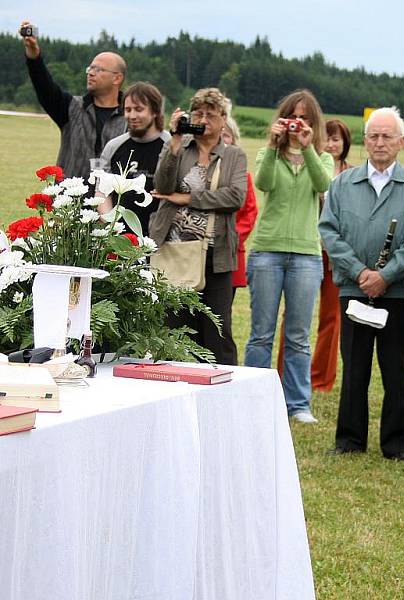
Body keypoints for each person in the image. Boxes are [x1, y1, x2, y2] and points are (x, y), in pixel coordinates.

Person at [319, 107, 404, 461]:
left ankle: (397, 445)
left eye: (387, 136)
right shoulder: (341, 185)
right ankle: (349, 440)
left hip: (397, 293)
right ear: (365, 140)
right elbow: (329, 232)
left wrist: (385, 276)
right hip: (354, 290)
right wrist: (360, 273)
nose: (380, 143)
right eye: (373, 136)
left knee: (396, 369)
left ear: (401, 142)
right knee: (354, 367)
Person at [244, 89, 333, 423]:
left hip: (306, 255)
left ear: (314, 124)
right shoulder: (268, 154)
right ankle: (252, 398)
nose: (298, 123)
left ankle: (298, 404)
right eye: (292, 116)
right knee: (261, 333)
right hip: (267, 250)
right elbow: (263, 183)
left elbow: (323, 183)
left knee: (298, 335)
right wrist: (271, 144)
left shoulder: (321, 157)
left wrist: (308, 148)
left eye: (305, 118)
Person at [151, 87, 246, 365]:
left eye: (210, 114)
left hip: (215, 256)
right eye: (198, 113)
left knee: (217, 332)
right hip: (175, 252)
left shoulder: (234, 156)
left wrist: (188, 198)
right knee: (174, 330)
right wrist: (175, 143)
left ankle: (225, 394)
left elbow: (235, 196)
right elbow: (163, 186)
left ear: (223, 119)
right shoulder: (179, 148)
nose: (203, 119)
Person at [20, 20, 126, 178]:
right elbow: (44, 87)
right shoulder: (71, 108)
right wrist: (34, 56)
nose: (90, 73)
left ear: (117, 78)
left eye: (98, 69)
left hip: (112, 201)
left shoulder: (130, 117)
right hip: (70, 200)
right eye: (90, 68)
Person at [311, 119, 354, 391]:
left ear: (345, 143)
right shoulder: (312, 168)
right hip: (309, 250)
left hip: (336, 255)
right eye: (326, 138)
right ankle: (286, 374)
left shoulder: (353, 176)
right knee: (295, 317)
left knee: (331, 317)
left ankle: (321, 378)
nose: (331, 144)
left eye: (336, 139)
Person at [97, 82, 170, 237]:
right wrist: (111, 229)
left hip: (160, 238)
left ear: (155, 112)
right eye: (128, 110)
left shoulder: (171, 146)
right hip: (120, 238)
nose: (132, 115)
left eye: (139, 109)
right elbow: (102, 193)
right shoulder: (114, 146)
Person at [220, 112, 258, 298]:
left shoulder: (244, 177)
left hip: (231, 251)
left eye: (226, 135)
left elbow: (250, 213)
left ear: (234, 141)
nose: (222, 140)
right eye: (218, 135)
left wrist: (231, 238)